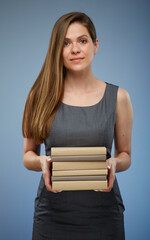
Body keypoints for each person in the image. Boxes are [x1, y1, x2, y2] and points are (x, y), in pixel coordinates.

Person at [22, 11, 133, 240]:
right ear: (57, 49)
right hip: (52, 216)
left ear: (95, 45)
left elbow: (125, 154)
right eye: (66, 43)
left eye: (82, 41)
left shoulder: (119, 97)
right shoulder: (39, 96)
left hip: (104, 215)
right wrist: (41, 161)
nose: (75, 50)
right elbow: (28, 155)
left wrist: (114, 163)